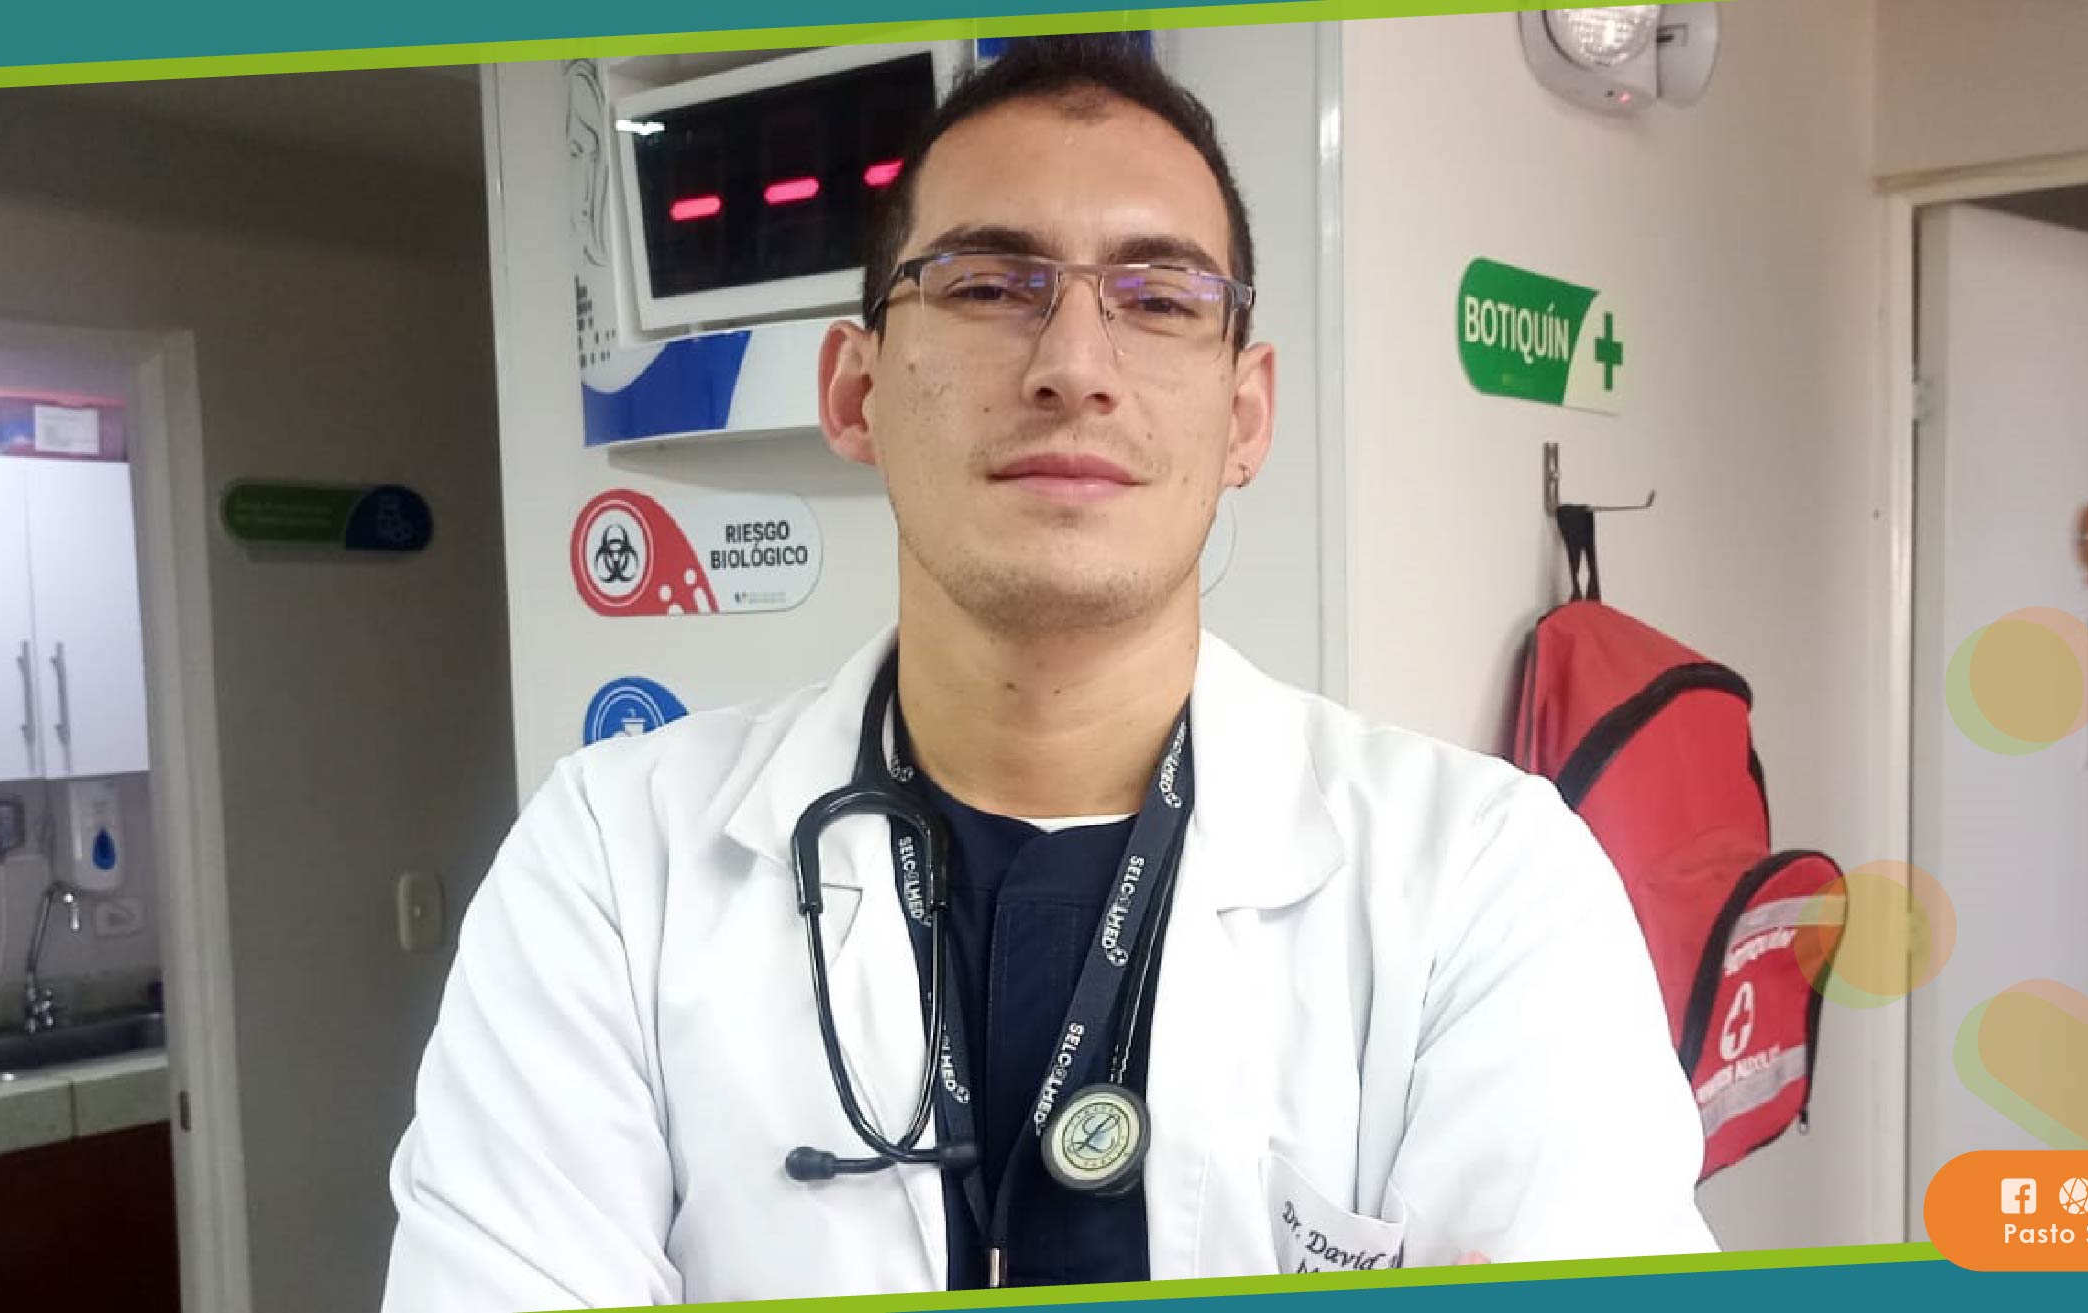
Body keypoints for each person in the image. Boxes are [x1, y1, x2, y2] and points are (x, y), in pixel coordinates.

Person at [381, 35, 1716, 1311]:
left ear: (1244, 414)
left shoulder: (1487, 884)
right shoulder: (612, 868)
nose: (1074, 366)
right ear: (854, 391)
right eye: (987, 286)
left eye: (1159, 299)